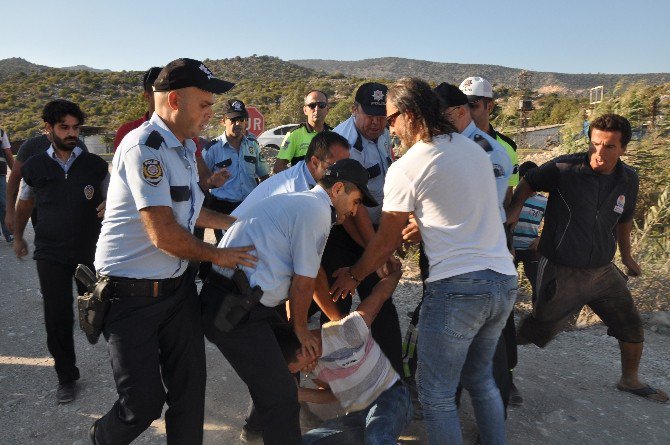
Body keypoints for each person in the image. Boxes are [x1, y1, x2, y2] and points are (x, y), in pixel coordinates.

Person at [330, 78, 517, 444]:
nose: (390, 128)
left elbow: (385, 239)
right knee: (480, 379)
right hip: (503, 281)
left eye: (393, 118)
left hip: (458, 288)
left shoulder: (409, 165)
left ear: (411, 115)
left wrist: (354, 274)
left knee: (436, 395)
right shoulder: (475, 151)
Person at [90, 58, 258, 445]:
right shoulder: (143, 148)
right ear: (175, 101)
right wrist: (219, 256)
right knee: (142, 404)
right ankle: (100, 437)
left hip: (176, 290)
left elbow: (193, 210)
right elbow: (163, 234)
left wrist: (238, 225)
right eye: (205, 104)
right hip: (130, 295)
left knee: (189, 393)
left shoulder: (184, 148)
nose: (211, 114)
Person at [200, 159, 378, 445]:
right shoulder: (316, 211)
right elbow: (304, 282)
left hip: (242, 303)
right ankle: (262, 429)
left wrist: (296, 333)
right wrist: (300, 329)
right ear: (339, 189)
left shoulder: (305, 204)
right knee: (282, 397)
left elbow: (296, 279)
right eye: (356, 201)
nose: (355, 210)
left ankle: (255, 430)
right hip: (233, 309)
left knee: (286, 369)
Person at [507, 113, 669, 404]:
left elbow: (624, 220)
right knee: (539, 328)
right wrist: (517, 207)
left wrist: (628, 256)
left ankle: (629, 379)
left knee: (629, 322)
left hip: (603, 272)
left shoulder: (628, 178)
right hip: (562, 268)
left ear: (623, 149)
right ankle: (494, 363)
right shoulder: (565, 167)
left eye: (608, 146)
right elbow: (528, 181)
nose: (599, 153)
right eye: (595, 144)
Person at [12, 100, 109, 403]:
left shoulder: (94, 165)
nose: (71, 133)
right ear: (48, 129)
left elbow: (116, 198)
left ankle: (127, 367)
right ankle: (66, 377)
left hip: (90, 252)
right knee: (57, 317)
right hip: (51, 253)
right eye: (64, 127)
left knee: (102, 309)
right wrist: (18, 236)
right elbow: (24, 204)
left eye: (75, 127)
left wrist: (111, 204)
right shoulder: (35, 167)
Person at [434, 81, 520, 408]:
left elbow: (489, 203)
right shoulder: (470, 146)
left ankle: (456, 407)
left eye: (475, 102)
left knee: (479, 339)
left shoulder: (486, 150)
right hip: (480, 249)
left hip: (470, 253)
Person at [279, 264, 412, 445]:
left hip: (390, 395)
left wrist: (396, 272)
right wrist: (300, 394)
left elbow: (380, 295)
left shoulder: (348, 331)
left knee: (376, 438)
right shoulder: (312, 365)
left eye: (300, 367)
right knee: (307, 441)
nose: (304, 370)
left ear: (304, 348)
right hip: (357, 410)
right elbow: (334, 395)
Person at [328, 82, 404, 376]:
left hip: (372, 227)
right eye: (368, 115)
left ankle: (392, 376)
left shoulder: (383, 132)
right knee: (338, 302)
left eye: (381, 115)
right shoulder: (344, 145)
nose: (375, 122)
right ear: (353, 110)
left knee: (379, 299)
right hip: (344, 229)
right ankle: (342, 377)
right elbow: (352, 211)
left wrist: (386, 238)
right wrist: (378, 253)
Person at [113, 66, 221, 187]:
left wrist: (212, 182)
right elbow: (122, 179)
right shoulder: (134, 136)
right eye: (202, 105)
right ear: (147, 96)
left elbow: (199, 182)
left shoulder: (188, 137)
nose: (210, 113)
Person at [202, 99, 269, 242]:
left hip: (250, 206)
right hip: (223, 208)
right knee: (227, 247)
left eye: (241, 119)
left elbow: (264, 176)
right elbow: (200, 181)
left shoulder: (253, 146)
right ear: (223, 121)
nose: (238, 124)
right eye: (233, 120)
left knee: (251, 247)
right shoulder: (212, 149)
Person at [4, 131, 88, 235]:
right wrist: (10, 212)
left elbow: (88, 179)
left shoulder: (78, 145)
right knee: (47, 247)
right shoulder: (31, 146)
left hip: (72, 208)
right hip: (41, 210)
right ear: (48, 125)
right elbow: (15, 178)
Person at [460, 76, 520, 205]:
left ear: (490, 106)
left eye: (472, 106)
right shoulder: (448, 141)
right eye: (462, 107)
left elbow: (507, 196)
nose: (466, 112)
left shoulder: (507, 148)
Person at [511, 161, 547, 301]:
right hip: (510, 249)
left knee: (538, 286)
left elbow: (552, 223)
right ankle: (508, 322)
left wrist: (539, 239)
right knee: (508, 287)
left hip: (531, 248)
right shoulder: (510, 198)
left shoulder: (543, 201)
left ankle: (536, 317)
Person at [273, 90, 331, 173]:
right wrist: (302, 177)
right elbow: (278, 167)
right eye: (312, 105)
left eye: (321, 105)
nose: (317, 109)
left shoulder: (334, 134)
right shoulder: (294, 134)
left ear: (327, 109)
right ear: (305, 110)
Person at [0, 127, 14, 241]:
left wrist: (15, 173)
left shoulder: (1, 132)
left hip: (0, 174)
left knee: (3, 203)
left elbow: (8, 152)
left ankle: (8, 232)